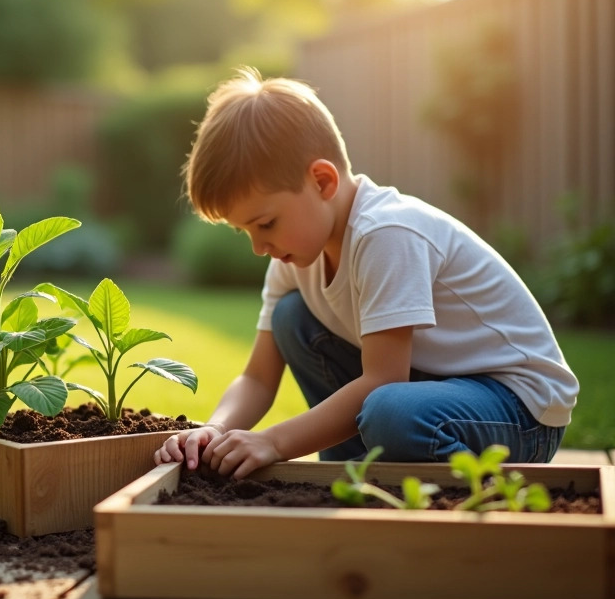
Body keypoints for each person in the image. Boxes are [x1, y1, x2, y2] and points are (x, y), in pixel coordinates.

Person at [155, 68, 579, 479]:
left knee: (388, 411)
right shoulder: (295, 257)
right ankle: (351, 473)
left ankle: (475, 494)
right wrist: (214, 429)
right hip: (433, 390)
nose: (258, 247)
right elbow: (257, 377)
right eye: (243, 230)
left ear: (322, 181)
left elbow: (384, 380)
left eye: (265, 224)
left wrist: (274, 442)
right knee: (292, 317)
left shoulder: (386, 234)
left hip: (519, 409)